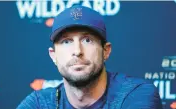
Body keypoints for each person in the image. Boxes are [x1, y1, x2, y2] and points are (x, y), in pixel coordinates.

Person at [17, 5, 163, 109]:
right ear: (53, 55)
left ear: (106, 51)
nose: (77, 51)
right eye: (66, 42)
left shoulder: (136, 94)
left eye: (87, 40)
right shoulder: (39, 103)